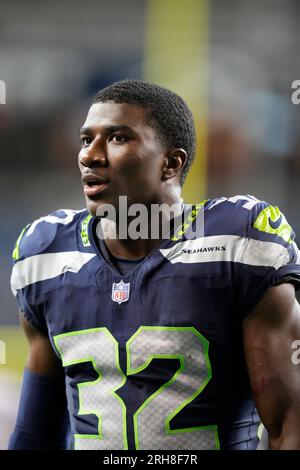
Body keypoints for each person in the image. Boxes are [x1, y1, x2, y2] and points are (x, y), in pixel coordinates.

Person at [8, 79, 300, 450]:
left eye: (116, 138)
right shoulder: (47, 256)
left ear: (170, 163)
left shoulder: (234, 247)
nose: (90, 156)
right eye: (86, 140)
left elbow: (289, 425)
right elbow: (35, 435)